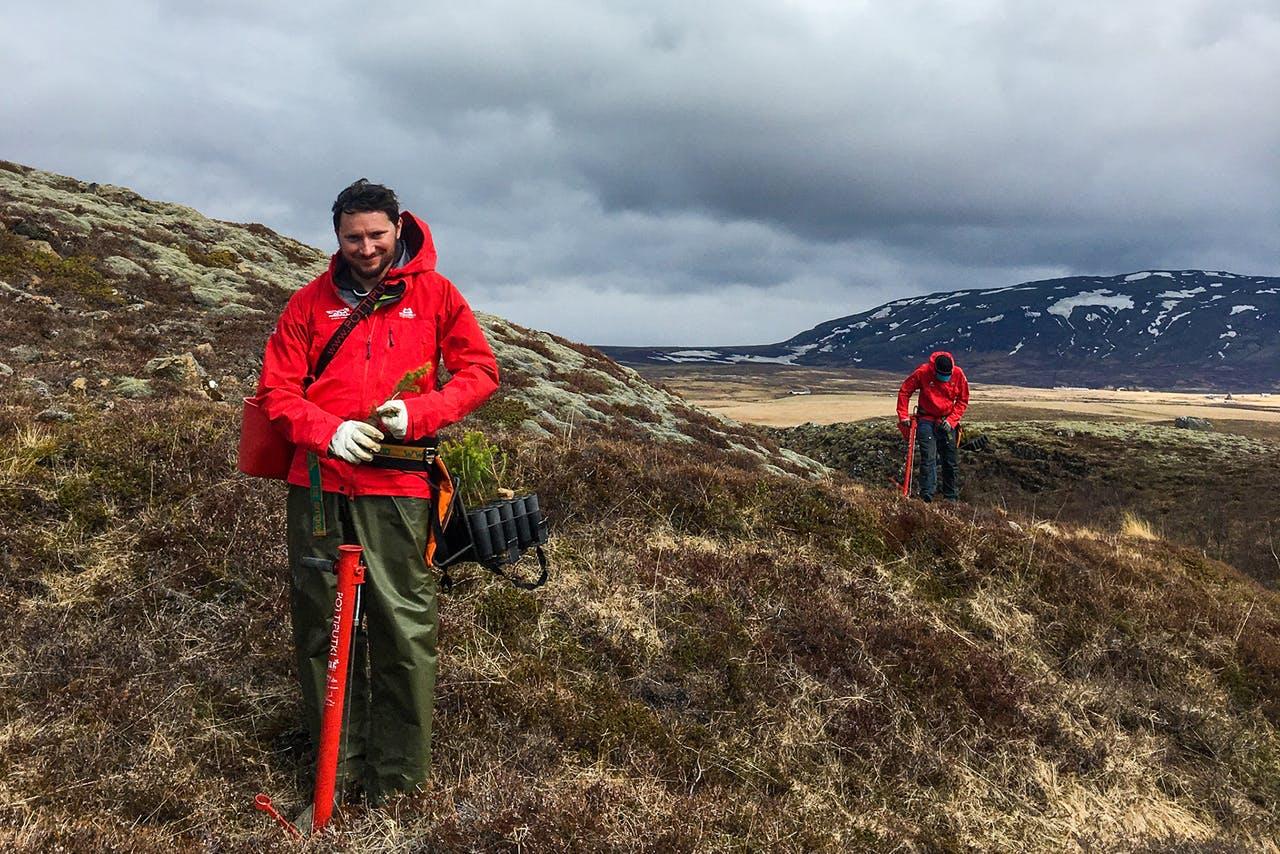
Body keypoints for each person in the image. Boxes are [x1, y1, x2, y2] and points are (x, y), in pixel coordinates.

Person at [254, 179, 499, 802]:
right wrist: (327, 431)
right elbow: (277, 392)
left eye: (376, 235)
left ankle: (399, 784)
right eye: (352, 237)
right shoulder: (308, 304)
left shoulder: (438, 296)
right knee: (321, 626)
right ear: (336, 236)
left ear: (399, 228)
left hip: (401, 485)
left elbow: (481, 372)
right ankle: (336, 773)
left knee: (403, 626)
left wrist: (418, 416)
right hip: (318, 484)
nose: (365, 248)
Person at [896, 351, 968, 502]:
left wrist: (952, 420)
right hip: (926, 419)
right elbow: (905, 391)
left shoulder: (958, 374)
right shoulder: (923, 372)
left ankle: (950, 499)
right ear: (934, 370)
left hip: (947, 421)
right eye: (941, 375)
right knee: (928, 458)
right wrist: (903, 415)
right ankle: (927, 498)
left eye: (947, 375)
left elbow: (962, 400)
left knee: (950, 460)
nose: (944, 379)